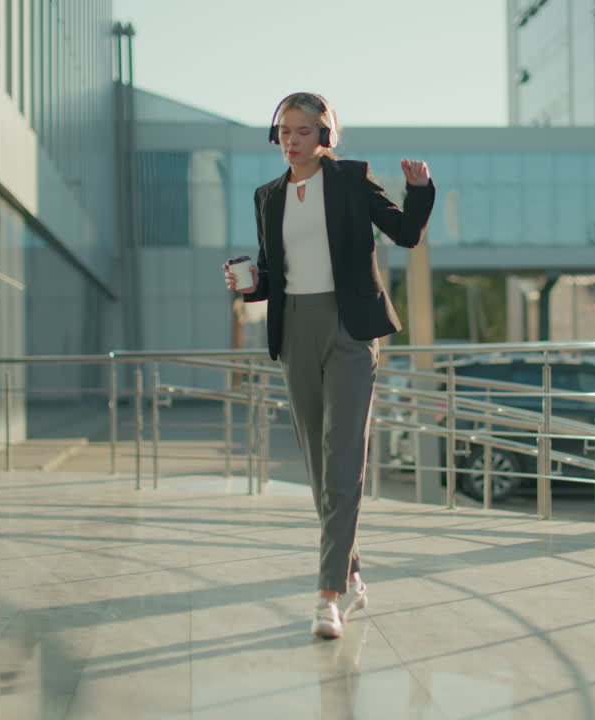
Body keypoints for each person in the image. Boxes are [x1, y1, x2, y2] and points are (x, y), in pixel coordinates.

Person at [223, 92, 434, 639]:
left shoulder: (349, 182)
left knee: (343, 459)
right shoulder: (267, 196)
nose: (291, 141)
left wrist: (419, 191)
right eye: (284, 132)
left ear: (325, 137)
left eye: (302, 132)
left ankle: (327, 597)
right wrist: (249, 284)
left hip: (349, 328)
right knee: (319, 468)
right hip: (296, 329)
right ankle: (355, 576)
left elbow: (406, 234)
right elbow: (274, 271)